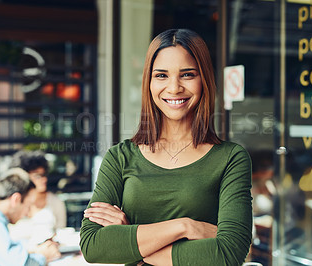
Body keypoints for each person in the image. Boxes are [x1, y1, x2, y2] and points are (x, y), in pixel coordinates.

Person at [80, 28, 252, 266]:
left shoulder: (230, 158)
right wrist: (185, 226)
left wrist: (132, 240)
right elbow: (93, 246)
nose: (174, 88)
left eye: (187, 74)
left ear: (204, 80)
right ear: (148, 82)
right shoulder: (120, 157)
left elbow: (229, 253)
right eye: (161, 75)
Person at [8, 150, 67, 247]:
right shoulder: (13, 202)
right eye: (37, 176)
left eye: (44, 175)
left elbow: (61, 233)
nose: (44, 179)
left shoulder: (55, 201)